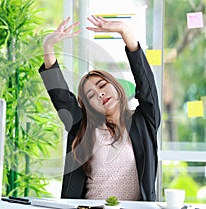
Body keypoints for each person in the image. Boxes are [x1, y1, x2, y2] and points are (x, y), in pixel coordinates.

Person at [38, 15, 161, 201]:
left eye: (102, 86)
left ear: (116, 87)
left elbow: (147, 86)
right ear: (89, 107)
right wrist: (48, 47)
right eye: (91, 95)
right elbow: (61, 97)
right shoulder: (84, 129)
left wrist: (124, 31)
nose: (100, 94)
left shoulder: (144, 122)